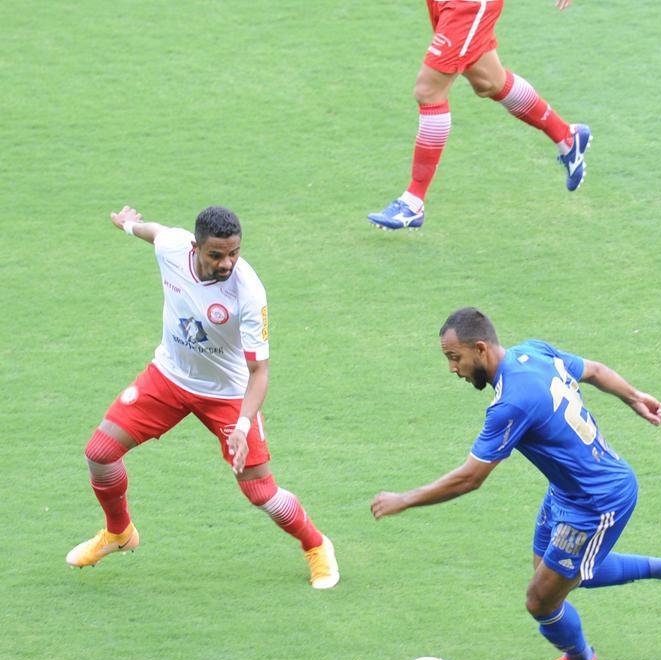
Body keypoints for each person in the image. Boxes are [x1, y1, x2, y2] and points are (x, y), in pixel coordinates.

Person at [372, 308, 661, 660]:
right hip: (567, 489)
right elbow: (594, 370)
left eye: (455, 358)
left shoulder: (511, 404)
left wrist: (405, 499)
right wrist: (633, 397)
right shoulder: (532, 352)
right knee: (554, 574)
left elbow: (469, 478)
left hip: (597, 502)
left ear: (480, 349)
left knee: (541, 600)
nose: (453, 369)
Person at [67, 206, 340, 590]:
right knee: (99, 453)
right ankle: (119, 532)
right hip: (168, 378)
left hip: (227, 395)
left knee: (260, 492)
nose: (227, 263)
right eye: (217, 255)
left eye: (234, 253)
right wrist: (127, 223)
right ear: (195, 247)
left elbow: (260, 371)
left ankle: (316, 545)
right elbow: (155, 230)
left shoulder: (248, 292)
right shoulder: (173, 248)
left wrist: (243, 425)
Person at [368, 0, 590, 230]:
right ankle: (566, 136)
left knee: (429, 91)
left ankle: (413, 202)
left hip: (468, 5)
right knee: (489, 82)